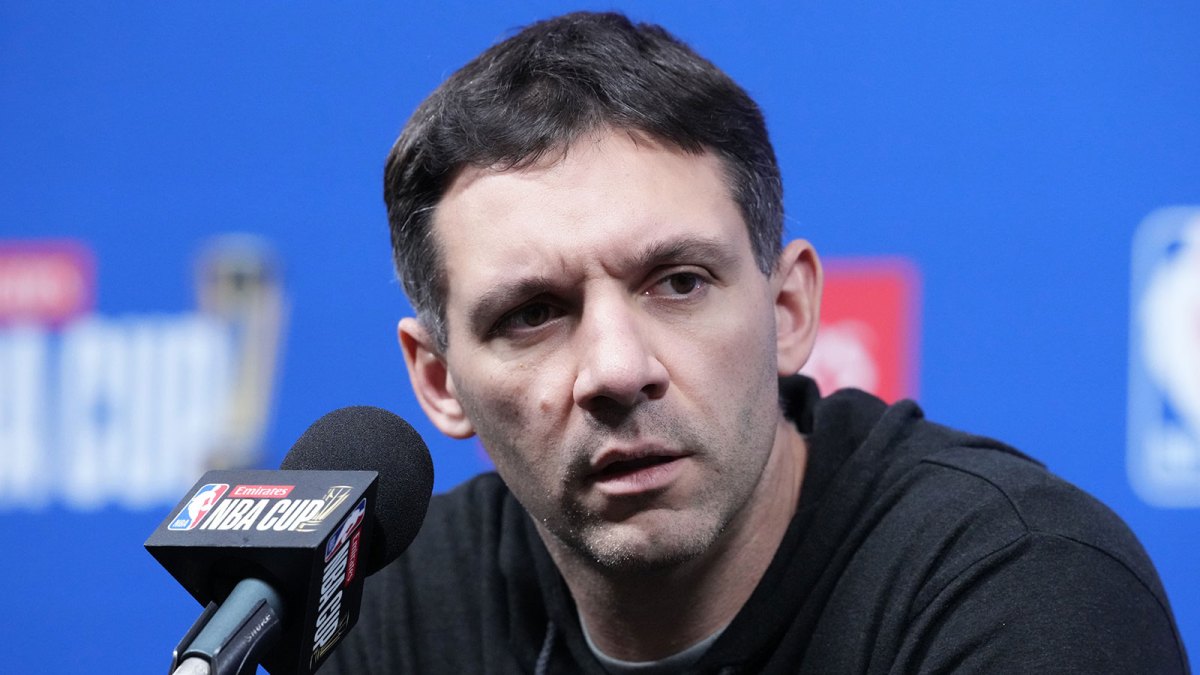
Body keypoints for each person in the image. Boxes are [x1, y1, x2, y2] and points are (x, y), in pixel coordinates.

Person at [322, 11, 1189, 674]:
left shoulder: (1024, 589)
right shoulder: (385, 613)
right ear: (440, 380)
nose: (619, 369)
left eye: (679, 283)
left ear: (788, 311)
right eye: (534, 313)